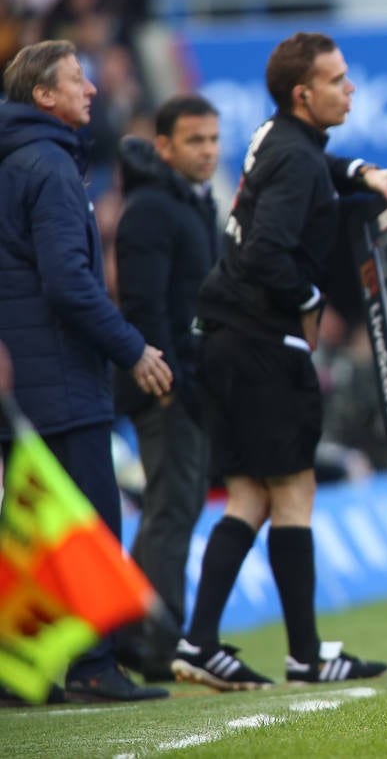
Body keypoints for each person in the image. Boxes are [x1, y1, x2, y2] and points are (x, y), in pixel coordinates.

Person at [171, 32, 387, 691]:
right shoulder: (296, 158)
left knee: (249, 495)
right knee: (294, 492)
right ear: (304, 94)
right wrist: (307, 301)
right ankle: (301, 655)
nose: (349, 88)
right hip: (263, 343)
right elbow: (266, 253)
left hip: (229, 339)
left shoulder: (280, 138)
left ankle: (202, 639)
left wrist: (359, 173)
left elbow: (317, 167)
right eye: (337, 80)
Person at [0, 39, 173, 702]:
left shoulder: (16, 161)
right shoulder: (48, 167)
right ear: (44, 96)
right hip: (61, 377)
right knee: (92, 523)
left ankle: (16, 674)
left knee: (26, 535)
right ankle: (94, 666)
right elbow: (70, 284)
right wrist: (133, 347)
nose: (92, 89)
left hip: (24, 377)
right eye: (78, 80)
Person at [110, 95, 222, 683]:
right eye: (195, 141)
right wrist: (171, 382)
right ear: (165, 146)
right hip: (167, 388)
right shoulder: (153, 208)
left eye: (212, 139)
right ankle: (152, 641)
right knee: (169, 511)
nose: (207, 151)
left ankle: (154, 633)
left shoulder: (188, 203)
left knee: (173, 509)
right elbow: (145, 306)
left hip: (190, 385)